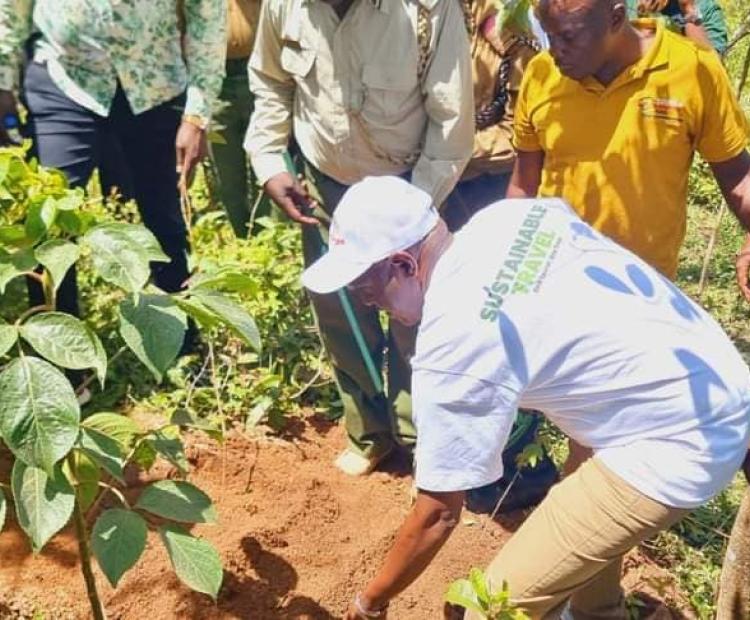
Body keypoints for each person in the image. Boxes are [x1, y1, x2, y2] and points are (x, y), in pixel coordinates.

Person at [299, 175, 750, 619]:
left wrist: (370, 602)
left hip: (678, 441)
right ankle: (598, 612)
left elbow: (438, 514)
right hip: (709, 371)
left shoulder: (452, 343)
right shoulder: (510, 218)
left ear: (403, 265)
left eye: (364, 284)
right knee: (578, 489)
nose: (363, 299)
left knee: (487, 610)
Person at [508, 0, 750, 472]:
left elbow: (738, 178)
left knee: (608, 429)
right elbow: (524, 182)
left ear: (616, 18)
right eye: (549, 34)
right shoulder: (540, 75)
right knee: (560, 410)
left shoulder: (690, 70)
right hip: (555, 283)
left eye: (570, 37)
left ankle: (581, 518)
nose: (555, 50)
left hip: (642, 296)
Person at [244, 0, 474, 475]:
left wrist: (410, 217)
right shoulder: (286, 6)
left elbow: (451, 119)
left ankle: (423, 442)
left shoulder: (426, 10)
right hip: (327, 185)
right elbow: (270, 80)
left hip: (412, 184)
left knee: (418, 319)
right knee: (344, 312)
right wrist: (268, 160)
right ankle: (371, 433)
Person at [0, 0, 226, 320]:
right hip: (64, 80)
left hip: (154, 85)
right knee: (47, 220)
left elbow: (208, 15)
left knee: (164, 217)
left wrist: (197, 114)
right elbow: (11, 8)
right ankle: (61, 356)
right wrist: (2, 81)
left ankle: (180, 339)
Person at [441, 0, 557, 513]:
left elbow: (525, 125)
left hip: (492, 183)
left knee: (503, 329)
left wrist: (452, 154)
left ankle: (519, 467)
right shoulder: (438, 14)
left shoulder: (510, 22)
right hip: (446, 180)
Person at [208, 0, 274, 238]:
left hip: (257, 72)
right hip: (214, 79)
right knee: (225, 167)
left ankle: (267, 231)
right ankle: (242, 234)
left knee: (265, 157)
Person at [629, 0, 727, 54]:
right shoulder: (622, 5)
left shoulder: (706, 8)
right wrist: (640, 15)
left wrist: (688, 10)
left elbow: (714, 66)